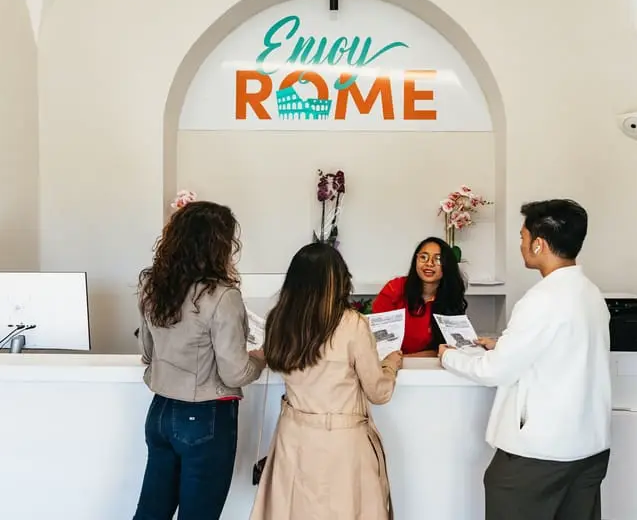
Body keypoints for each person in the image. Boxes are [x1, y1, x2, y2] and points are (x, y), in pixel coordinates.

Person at [438, 199, 612, 520]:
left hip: (540, 456)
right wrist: (504, 344)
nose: (520, 245)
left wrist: (450, 357)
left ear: (539, 244)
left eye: (522, 237)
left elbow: (494, 371)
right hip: (588, 450)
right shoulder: (591, 295)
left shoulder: (541, 300)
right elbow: (560, 352)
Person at [132, 201, 266, 520]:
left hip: (161, 412)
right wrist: (260, 358)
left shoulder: (153, 286)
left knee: (151, 513)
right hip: (206, 416)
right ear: (218, 245)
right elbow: (234, 372)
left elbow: (147, 354)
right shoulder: (222, 295)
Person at [250, 243, 403, 520]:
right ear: (339, 279)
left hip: (293, 439)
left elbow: (273, 359)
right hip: (342, 444)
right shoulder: (352, 323)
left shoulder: (279, 320)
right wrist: (391, 365)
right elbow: (378, 392)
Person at [371, 237, 468, 357]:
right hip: (389, 366)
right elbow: (376, 337)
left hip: (431, 367)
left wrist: (407, 359)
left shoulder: (450, 297)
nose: (429, 263)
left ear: (447, 265)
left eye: (438, 259)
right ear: (415, 260)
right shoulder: (395, 288)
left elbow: (449, 348)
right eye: (423, 257)